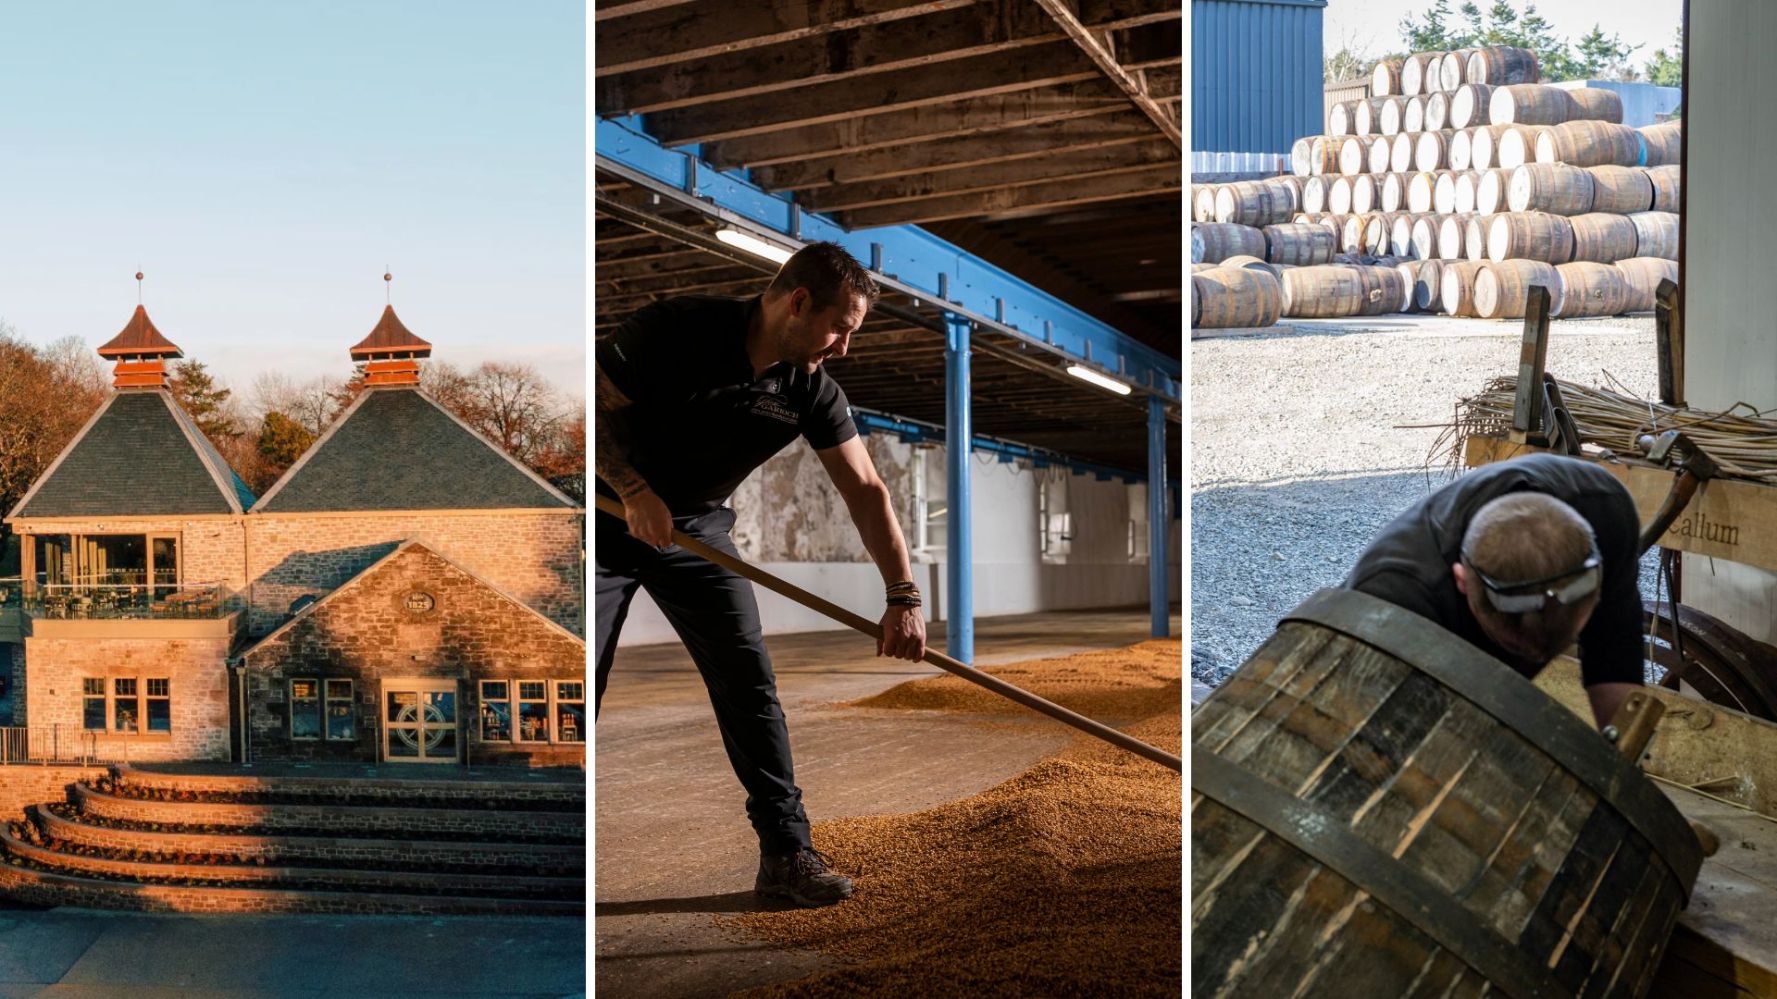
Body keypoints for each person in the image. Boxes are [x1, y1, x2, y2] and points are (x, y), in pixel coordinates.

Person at [593, 241, 927, 908]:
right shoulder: (672, 329)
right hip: (598, 514)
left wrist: (903, 595)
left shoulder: (809, 389)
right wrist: (632, 488)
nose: (843, 348)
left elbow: (866, 489)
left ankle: (785, 853)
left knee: (748, 680)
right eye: (841, 328)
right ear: (798, 302)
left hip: (695, 528)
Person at [1344, 452, 1642, 728]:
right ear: (1462, 582)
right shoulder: (1394, 596)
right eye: (1515, 646)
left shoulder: (1606, 513)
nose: (1541, 659)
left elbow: (1614, 660)